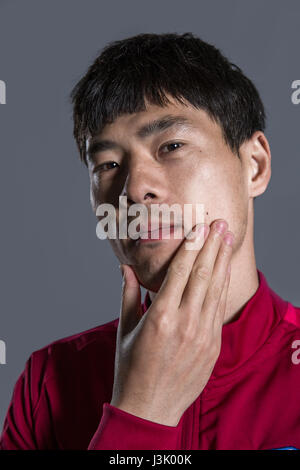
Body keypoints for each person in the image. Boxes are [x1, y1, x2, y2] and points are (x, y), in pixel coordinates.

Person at [1, 32, 300, 451]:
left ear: (254, 166)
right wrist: (141, 413)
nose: (135, 189)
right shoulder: (49, 381)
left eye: (172, 146)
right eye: (108, 164)